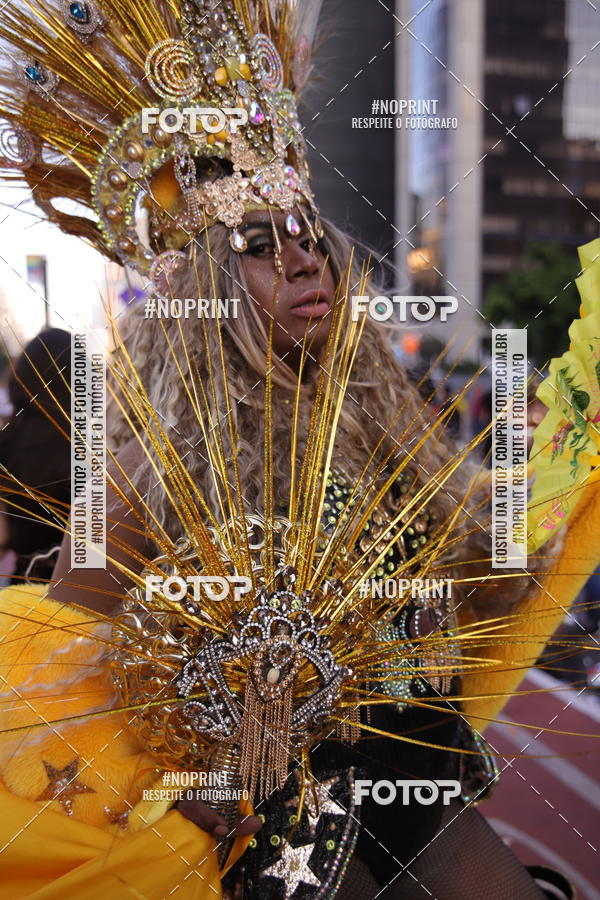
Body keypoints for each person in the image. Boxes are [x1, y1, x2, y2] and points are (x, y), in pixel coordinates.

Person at [0, 2, 597, 898]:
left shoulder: (385, 436)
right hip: (289, 858)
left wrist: (564, 452)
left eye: (310, 236)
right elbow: (52, 691)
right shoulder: (140, 477)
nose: (304, 259)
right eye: (257, 246)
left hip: (429, 808)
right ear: (198, 282)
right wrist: (162, 787)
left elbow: (491, 573)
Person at [0, 328, 71, 583]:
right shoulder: (98, 445)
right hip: (89, 594)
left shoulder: (6, 443)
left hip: (26, 590)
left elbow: (1, 539)